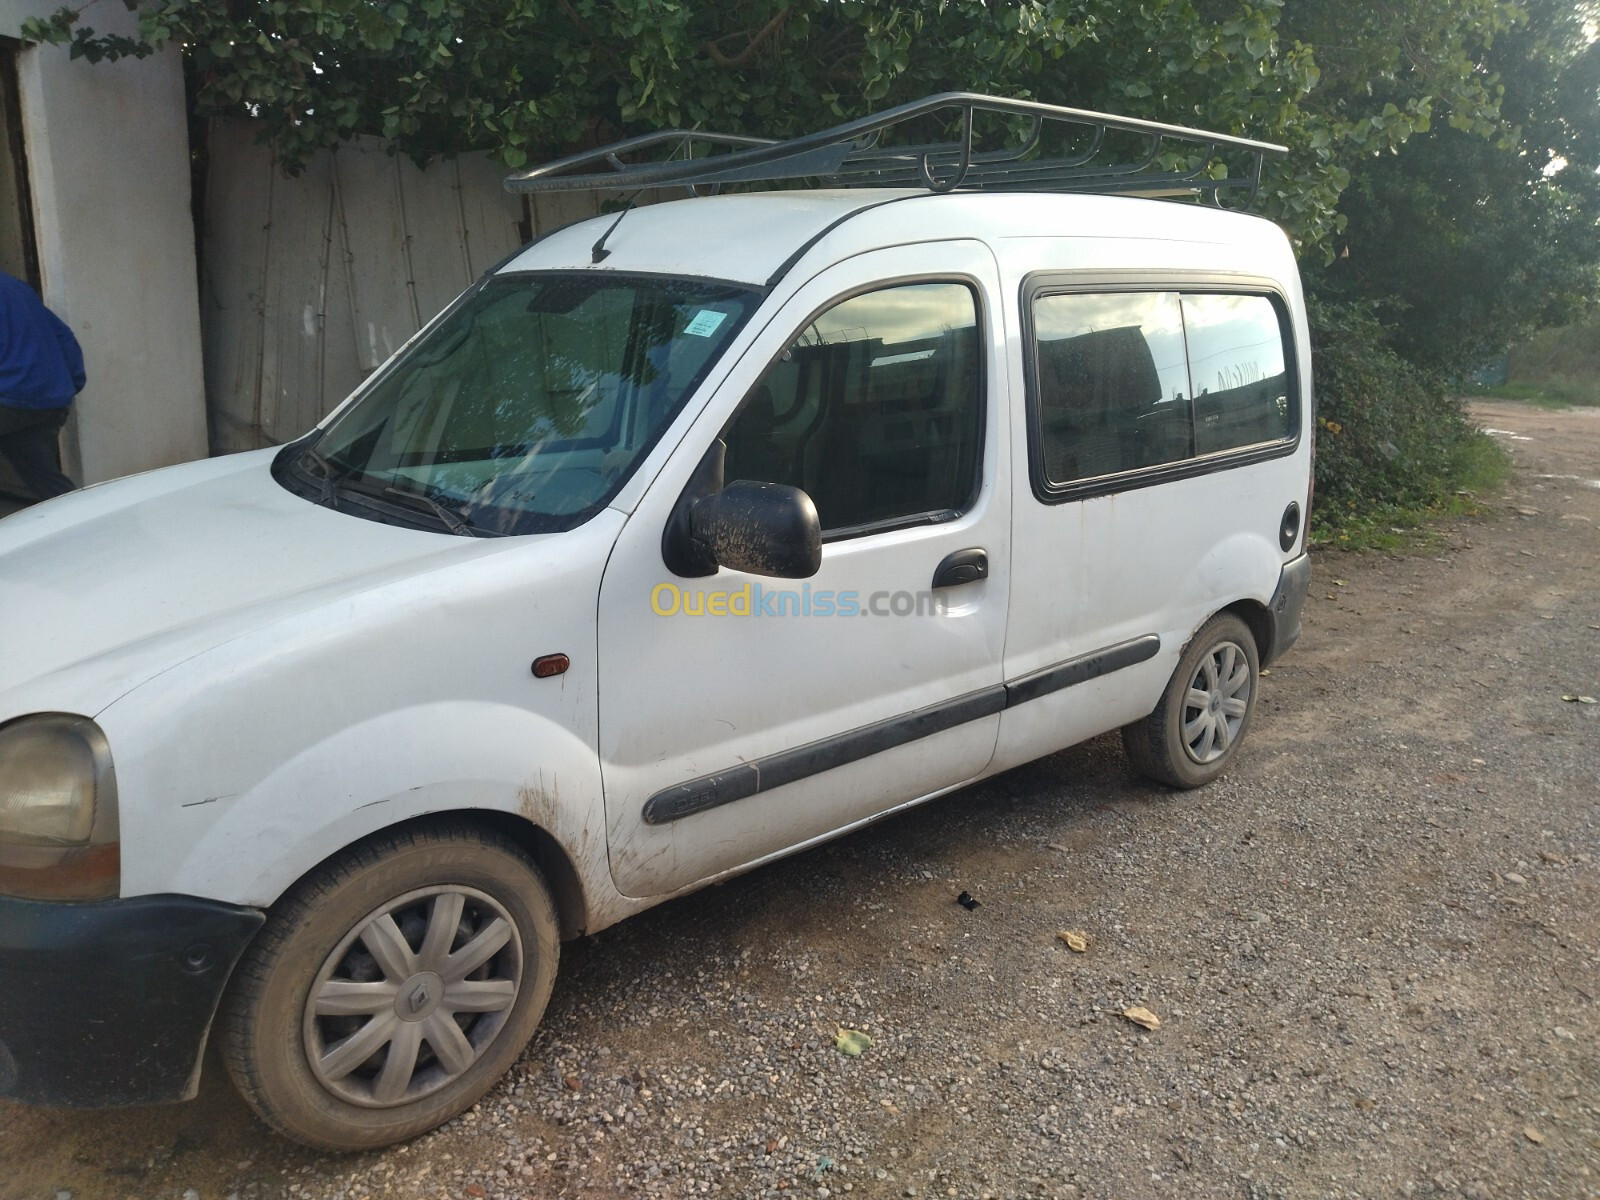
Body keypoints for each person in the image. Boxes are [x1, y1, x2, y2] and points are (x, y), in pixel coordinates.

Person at [0, 271, 84, 500]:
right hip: (46, 398)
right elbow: (63, 335)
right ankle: (93, 529)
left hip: (10, 396)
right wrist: (69, 383)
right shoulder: (17, 288)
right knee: (47, 482)